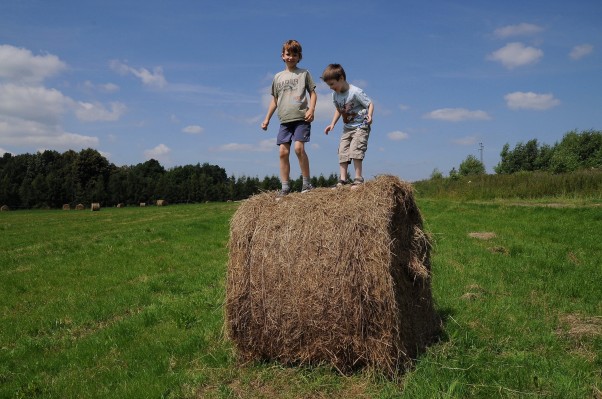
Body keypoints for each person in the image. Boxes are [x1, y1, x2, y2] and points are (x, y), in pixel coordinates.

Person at [261, 39, 317, 196]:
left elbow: (313, 93)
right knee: (283, 153)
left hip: (301, 118)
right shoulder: (278, 77)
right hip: (284, 120)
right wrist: (267, 119)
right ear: (282, 56)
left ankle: (306, 184)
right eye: (288, 54)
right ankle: (285, 187)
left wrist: (311, 109)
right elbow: (274, 100)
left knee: (299, 149)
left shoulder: (304, 73)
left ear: (299, 57)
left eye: (295, 54)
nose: (291, 57)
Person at [322, 63, 374, 187]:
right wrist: (332, 123)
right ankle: (343, 179)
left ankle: (358, 178)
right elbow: (339, 110)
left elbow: (370, 103)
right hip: (347, 128)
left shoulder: (355, 92)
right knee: (343, 151)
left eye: (332, 84)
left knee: (355, 150)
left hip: (361, 125)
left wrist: (370, 115)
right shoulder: (335, 94)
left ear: (341, 78)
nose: (330, 88)